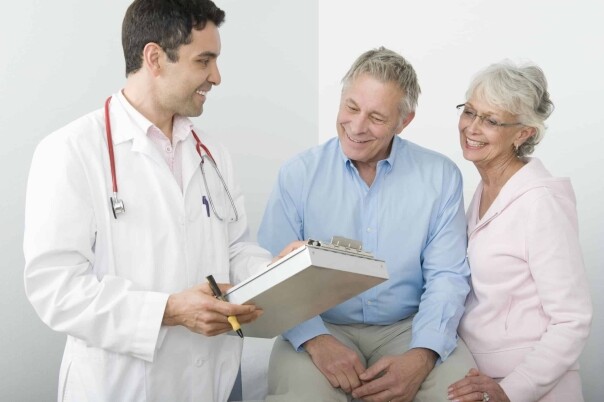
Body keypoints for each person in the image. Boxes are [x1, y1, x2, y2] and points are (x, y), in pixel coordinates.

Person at [23, 1, 295, 400]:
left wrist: (275, 271)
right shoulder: (71, 151)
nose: (216, 77)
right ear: (154, 58)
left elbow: (234, 249)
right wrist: (169, 310)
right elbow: (56, 290)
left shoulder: (211, 154)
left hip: (213, 381)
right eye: (204, 61)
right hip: (122, 385)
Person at [258, 47, 477, 402]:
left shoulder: (440, 177)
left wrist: (423, 356)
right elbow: (273, 275)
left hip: (409, 327)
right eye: (351, 108)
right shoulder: (298, 174)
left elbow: (447, 277)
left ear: (403, 122)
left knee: (465, 398)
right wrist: (316, 340)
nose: (357, 127)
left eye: (376, 117)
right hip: (319, 323)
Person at [447, 61, 592, 402]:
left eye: (491, 120)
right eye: (470, 112)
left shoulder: (540, 203)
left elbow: (572, 319)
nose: (472, 127)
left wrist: (512, 391)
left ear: (524, 133)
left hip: (532, 386)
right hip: (480, 377)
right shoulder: (484, 191)